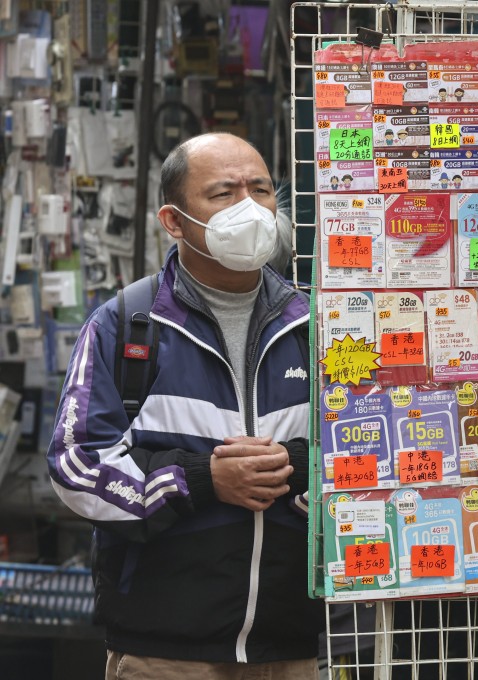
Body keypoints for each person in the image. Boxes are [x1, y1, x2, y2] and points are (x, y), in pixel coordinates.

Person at [47, 133, 324, 678]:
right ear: (174, 222)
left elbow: (371, 449)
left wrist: (294, 466)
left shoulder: (319, 325)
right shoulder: (125, 326)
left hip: (294, 647)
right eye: (223, 193)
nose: (249, 206)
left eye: (261, 189)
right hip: (165, 654)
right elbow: (75, 466)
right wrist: (198, 479)